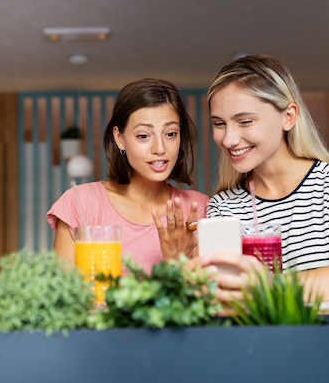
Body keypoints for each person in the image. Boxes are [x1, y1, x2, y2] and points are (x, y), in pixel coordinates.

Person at [155, 54, 329, 302]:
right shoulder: (224, 206)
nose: (229, 139)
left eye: (245, 121)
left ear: (289, 116)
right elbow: (215, 293)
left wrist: (260, 288)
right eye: (219, 124)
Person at [47, 78, 210, 273]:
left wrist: (176, 261)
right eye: (143, 136)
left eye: (170, 134)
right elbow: (61, 298)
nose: (160, 148)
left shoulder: (199, 210)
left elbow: (206, 300)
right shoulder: (81, 203)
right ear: (120, 138)